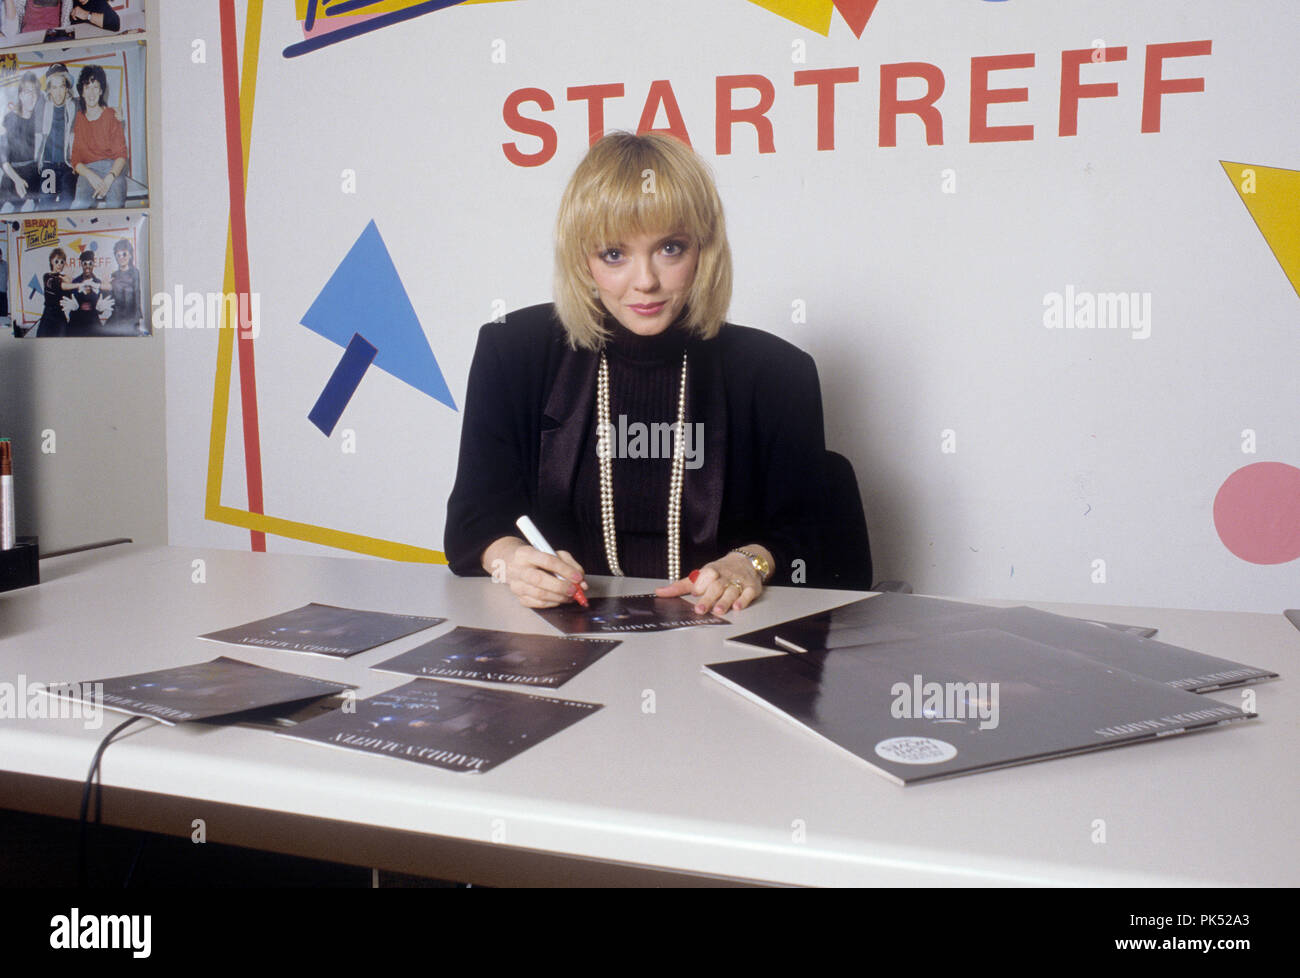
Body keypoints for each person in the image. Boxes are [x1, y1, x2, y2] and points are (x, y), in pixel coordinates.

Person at [445, 132, 829, 613]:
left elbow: (816, 539)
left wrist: (748, 563)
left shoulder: (776, 373)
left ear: (704, 252)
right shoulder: (515, 350)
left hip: (721, 635)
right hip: (564, 634)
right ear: (581, 260)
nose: (645, 280)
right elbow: (472, 521)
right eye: (613, 254)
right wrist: (511, 559)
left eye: (670, 248)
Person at [70, 63, 127, 209]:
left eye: (95, 87)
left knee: (115, 201)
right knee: (77, 207)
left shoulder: (111, 115)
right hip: (88, 170)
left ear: (101, 90)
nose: (91, 93)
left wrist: (109, 178)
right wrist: (90, 175)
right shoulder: (79, 118)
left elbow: (121, 155)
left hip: (112, 168)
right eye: (87, 87)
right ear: (82, 92)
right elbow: (76, 160)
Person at [1, 72, 43, 213]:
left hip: (32, 172)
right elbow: (3, 160)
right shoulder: (10, 118)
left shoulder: (39, 119)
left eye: (34, 93)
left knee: (30, 206)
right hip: (12, 173)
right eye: (27, 92)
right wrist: (17, 180)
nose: (31, 97)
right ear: (20, 95)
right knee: (6, 207)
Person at [36, 64, 77, 209]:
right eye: (54, 87)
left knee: (67, 201)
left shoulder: (75, 107)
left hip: (68, 166)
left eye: (61, 87)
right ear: (49, 90)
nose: (58, 92)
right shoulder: (42, 108)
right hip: (49, 166)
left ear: (67, 88)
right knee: (46, 204)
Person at [104, 237, 142, 334]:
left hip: (131, 319)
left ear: (130, 255)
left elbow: (137, 296)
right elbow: (110, 299)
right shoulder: (114, 275)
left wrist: (137, 319)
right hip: (116, 318)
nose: (121, 258)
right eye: (118, 255)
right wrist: (104, 288)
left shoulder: (135, 273)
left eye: (124, 254)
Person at [34, 247, 75, 338]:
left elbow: (70, 297)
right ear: (51, 261)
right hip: (48, 314)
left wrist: (70, 281)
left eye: (62, 262)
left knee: (62, 343)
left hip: (60, 315)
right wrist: (74, 283)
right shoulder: (47, 276)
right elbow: (58, 285)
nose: (59, 264)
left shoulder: (66, 278)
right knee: (41, 340)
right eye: (57, 261)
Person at [66, 249, 101, 335]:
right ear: (81, 264)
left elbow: (100, 310)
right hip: (76, 324)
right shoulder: (75, 282)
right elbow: (69, 303)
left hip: (93, 325)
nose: (87, 266)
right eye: (85, 263)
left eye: (90, 263)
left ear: (94, 264)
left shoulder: (98, 282)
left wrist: (101, 309)